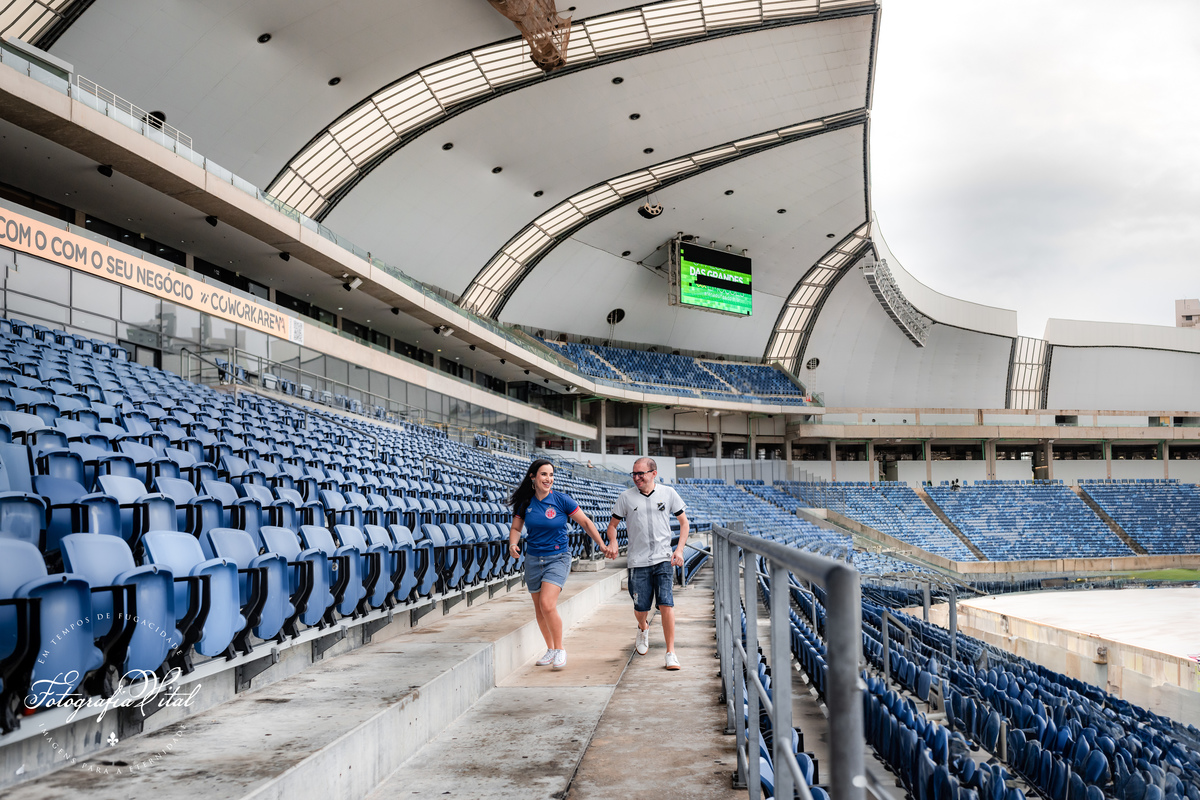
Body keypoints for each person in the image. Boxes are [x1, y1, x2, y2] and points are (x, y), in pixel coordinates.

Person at [508, 458, 610, 670]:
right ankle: (551, 649)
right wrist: (513, 544)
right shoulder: (525, 503)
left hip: (558, 557)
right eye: (544, 474)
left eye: (551, 475)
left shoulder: (562, 500)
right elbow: (516, 529)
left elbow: (585, 522)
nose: (548, 479)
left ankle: (560, 648)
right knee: (539, 609)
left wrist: (601, 543)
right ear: (533, 477)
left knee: (547, 604)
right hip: (534, 559)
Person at [604, 457, 689, 670]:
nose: (636, 477)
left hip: (663, 558)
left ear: (653, 473)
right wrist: (613, 541)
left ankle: (671, 652)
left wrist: (679, 550)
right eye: (634, 473)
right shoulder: (625, 497)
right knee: (640, 606)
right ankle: (643, 627)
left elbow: (684, 523)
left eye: (640, 473)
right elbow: (612, 526)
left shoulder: (668, 493)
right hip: (637, 561)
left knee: (666, 604)